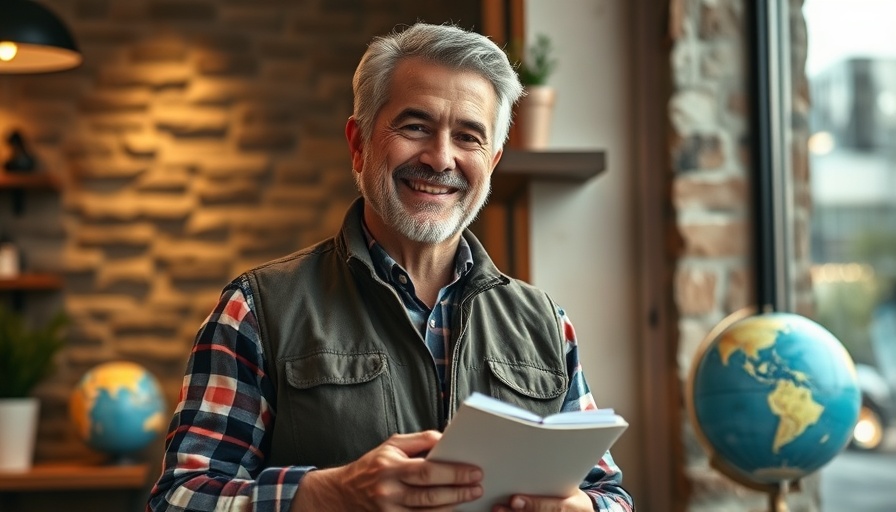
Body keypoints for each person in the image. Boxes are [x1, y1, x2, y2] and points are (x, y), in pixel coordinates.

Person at [147, 22, 634, 512]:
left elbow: (611, 495)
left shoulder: (547, 324)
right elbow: (179, 499)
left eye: (468, 137)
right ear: (358, 144)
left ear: (493, 161)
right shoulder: (255, 310)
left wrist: (580, 509)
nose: (441, 158)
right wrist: (326, 494)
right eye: (416, 126)